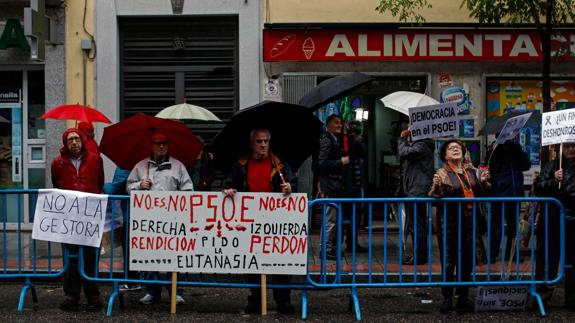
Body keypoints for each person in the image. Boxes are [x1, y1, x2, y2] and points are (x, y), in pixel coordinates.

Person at [223, 128, 296, 315]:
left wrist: (290, 187)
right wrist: (229, 190)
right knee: (253, 262)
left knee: (280, 262)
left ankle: (283, 301)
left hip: (276, 220)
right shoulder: (241, 163)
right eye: (259, 141)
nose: (263, 145)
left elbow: (293, 183)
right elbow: (230, 184)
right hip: (250, 221)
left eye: (266, 141)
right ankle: (256, 299)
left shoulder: (279, 163)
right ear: (251, 144)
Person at [126, 131, 194, 305]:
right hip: (148, 221)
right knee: (150, 255)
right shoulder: (140, 166)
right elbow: (128, 187)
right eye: (158, 143)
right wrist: (139, 185)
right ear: (151, 145)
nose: (161, 146)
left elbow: (188, 190)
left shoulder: (178, 166)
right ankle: (152, 291)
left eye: (164, 143)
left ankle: (176, 292)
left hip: (174, 221)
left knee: (175, 256)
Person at [429, 139, 490, 313]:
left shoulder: (472, 171)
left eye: (458, 147)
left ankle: (463, 296)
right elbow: (435, 197)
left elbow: (485, 193)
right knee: (449, 261)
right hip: (449, 223)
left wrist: (484, 182)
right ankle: (447, 297)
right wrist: (436, 186)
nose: (456, 149)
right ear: (444, 156)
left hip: (471, 222)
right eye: (451, 148)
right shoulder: (441, 173)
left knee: (467, 260)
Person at [51, 128, 104, 312]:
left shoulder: (95, 159)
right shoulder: (57, 162)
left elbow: (99, 183)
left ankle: (93, 294)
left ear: (82, 141)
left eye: (76, 139)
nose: (74, 142)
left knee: (91, 255)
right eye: (70, 140)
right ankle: (71, 295)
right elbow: (56, 184)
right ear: (65, 143)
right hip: (69, 217)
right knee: (70, 256)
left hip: (89, 216)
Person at [534, 142, 575, 311]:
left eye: (574, 146)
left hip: (572, 223)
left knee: (572, 262)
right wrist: (553, 181)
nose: (571, 150)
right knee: (547, 261)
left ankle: (572, 300)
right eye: (567, 146)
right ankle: (542, 298)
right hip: (551, 223)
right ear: (561, 149)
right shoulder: (552, 166)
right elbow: (538, 188)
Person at [484, 138, 531, 263]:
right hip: (499, 194)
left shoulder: (516, 148)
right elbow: (488, 167)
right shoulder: (494, 149)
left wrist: (516, 150)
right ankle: (492, 255)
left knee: (513, 227)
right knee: (496, 226)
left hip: (515, 194)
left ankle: (511, 254)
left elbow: (526, 165)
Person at [398, 128, 435, 265]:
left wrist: (402, 139)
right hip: (414, 189)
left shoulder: (422, 145)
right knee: (416, 224)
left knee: (416, 224)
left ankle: (419, 257)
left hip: (417, 191)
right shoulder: (421, 144)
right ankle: (418, 255)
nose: (409, 131)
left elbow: (403, 153)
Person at [103, 167, 142, 292]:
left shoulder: (126, 166)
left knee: (129, 249)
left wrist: (101, 186)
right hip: (150, 214)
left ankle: (132, 281)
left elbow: (114, 189)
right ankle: (150, 285)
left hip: (130, 215)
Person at [318, 115, 350, 260]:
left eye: (340, 123)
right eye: (336, 123)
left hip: (336, 186)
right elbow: (322, 162)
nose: (339, 125)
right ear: (328, 125)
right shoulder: (327, 141)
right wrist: (339, 162)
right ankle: (325, 249)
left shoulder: (337, 140)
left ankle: (331, 248)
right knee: (330, 221)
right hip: (330, 187)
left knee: (335, 220)